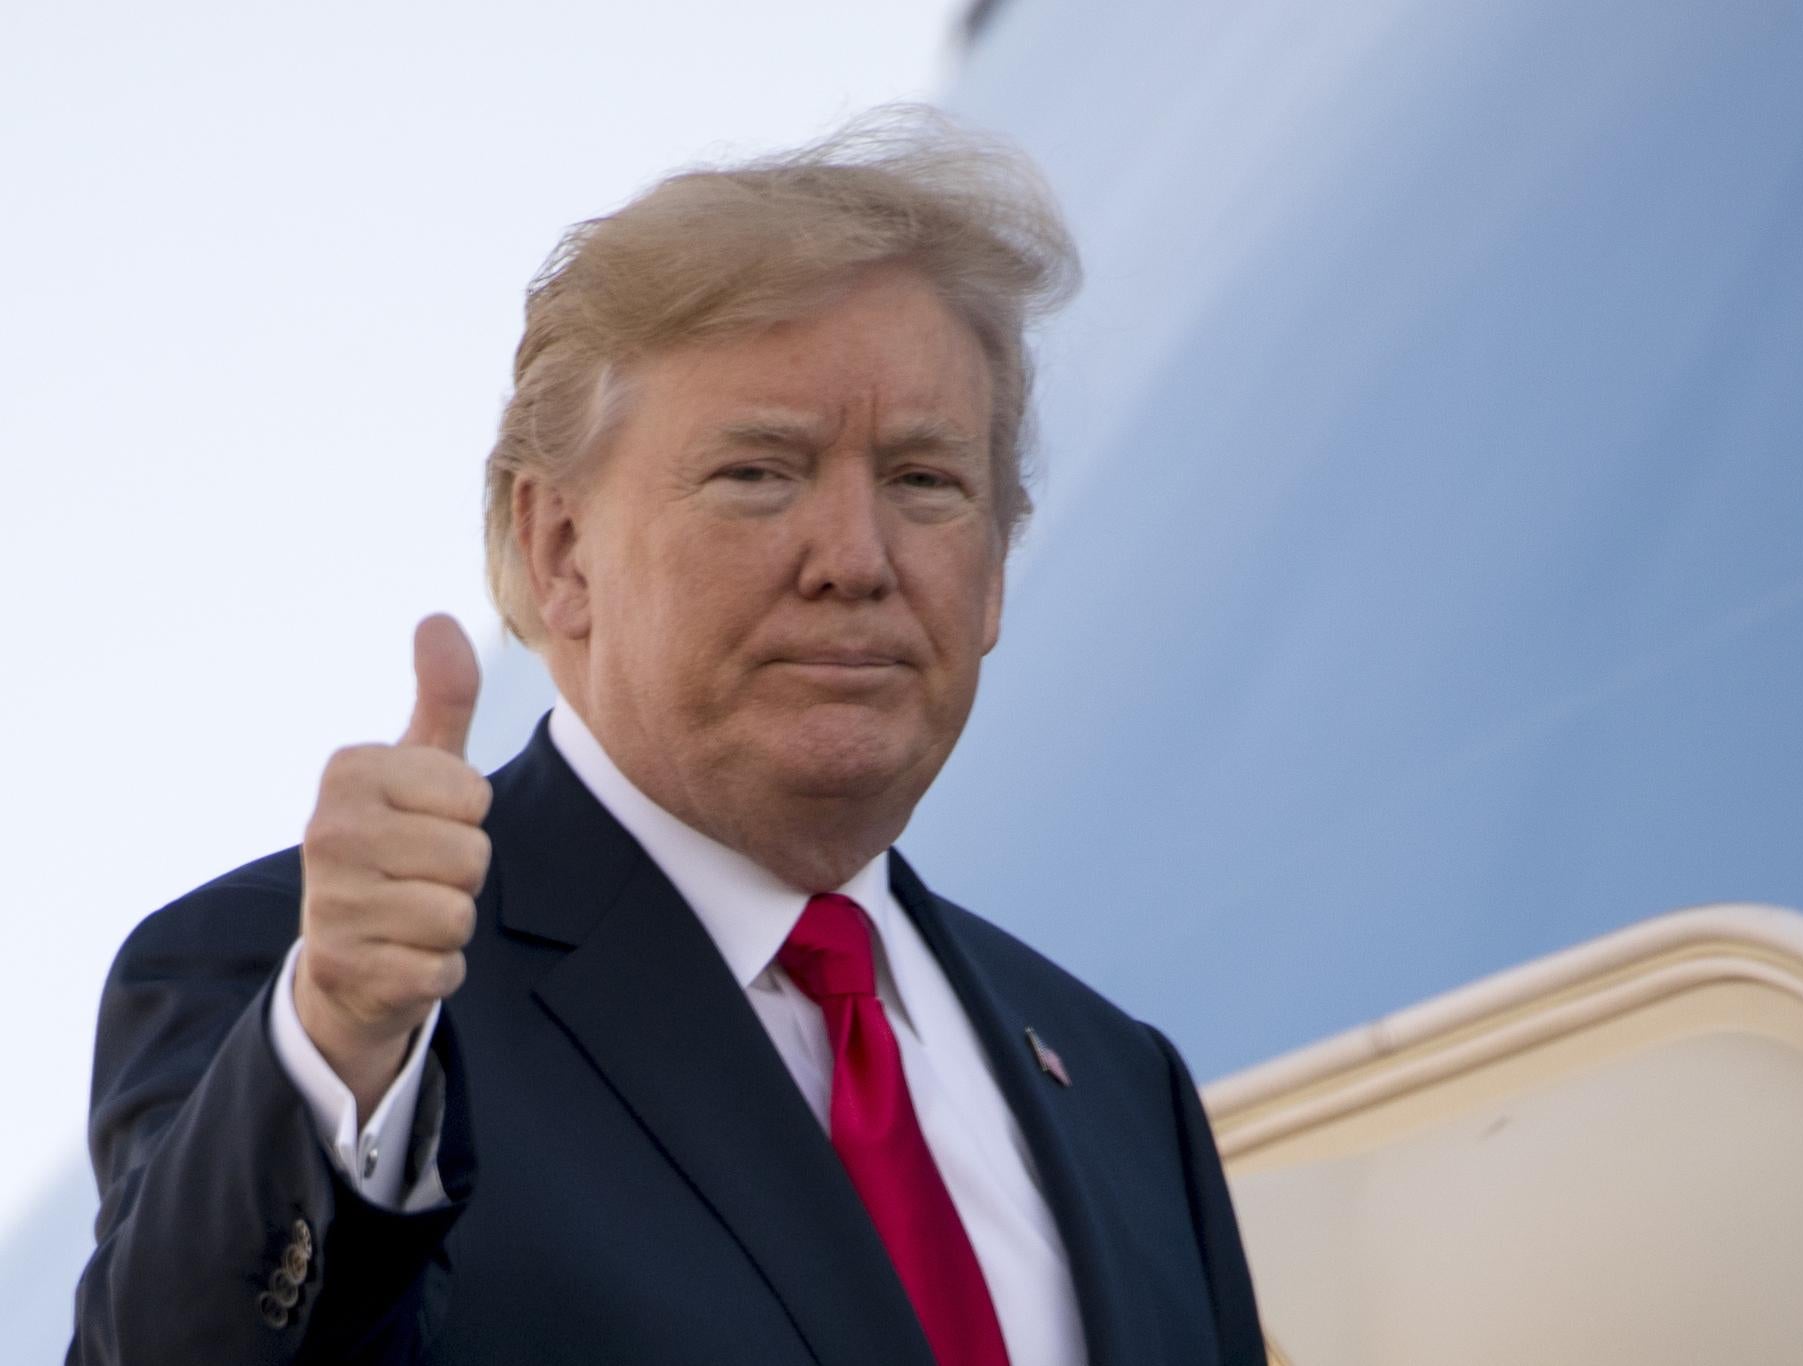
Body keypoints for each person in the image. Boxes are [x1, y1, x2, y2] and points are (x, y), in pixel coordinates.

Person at [69, 109, 1263, 1365]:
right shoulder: (327, 1008)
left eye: (924, 481)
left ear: (996, 572)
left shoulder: (1128, 1097)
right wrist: (341, 1048)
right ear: (559, 547)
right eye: (760, 473)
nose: (854, 560)